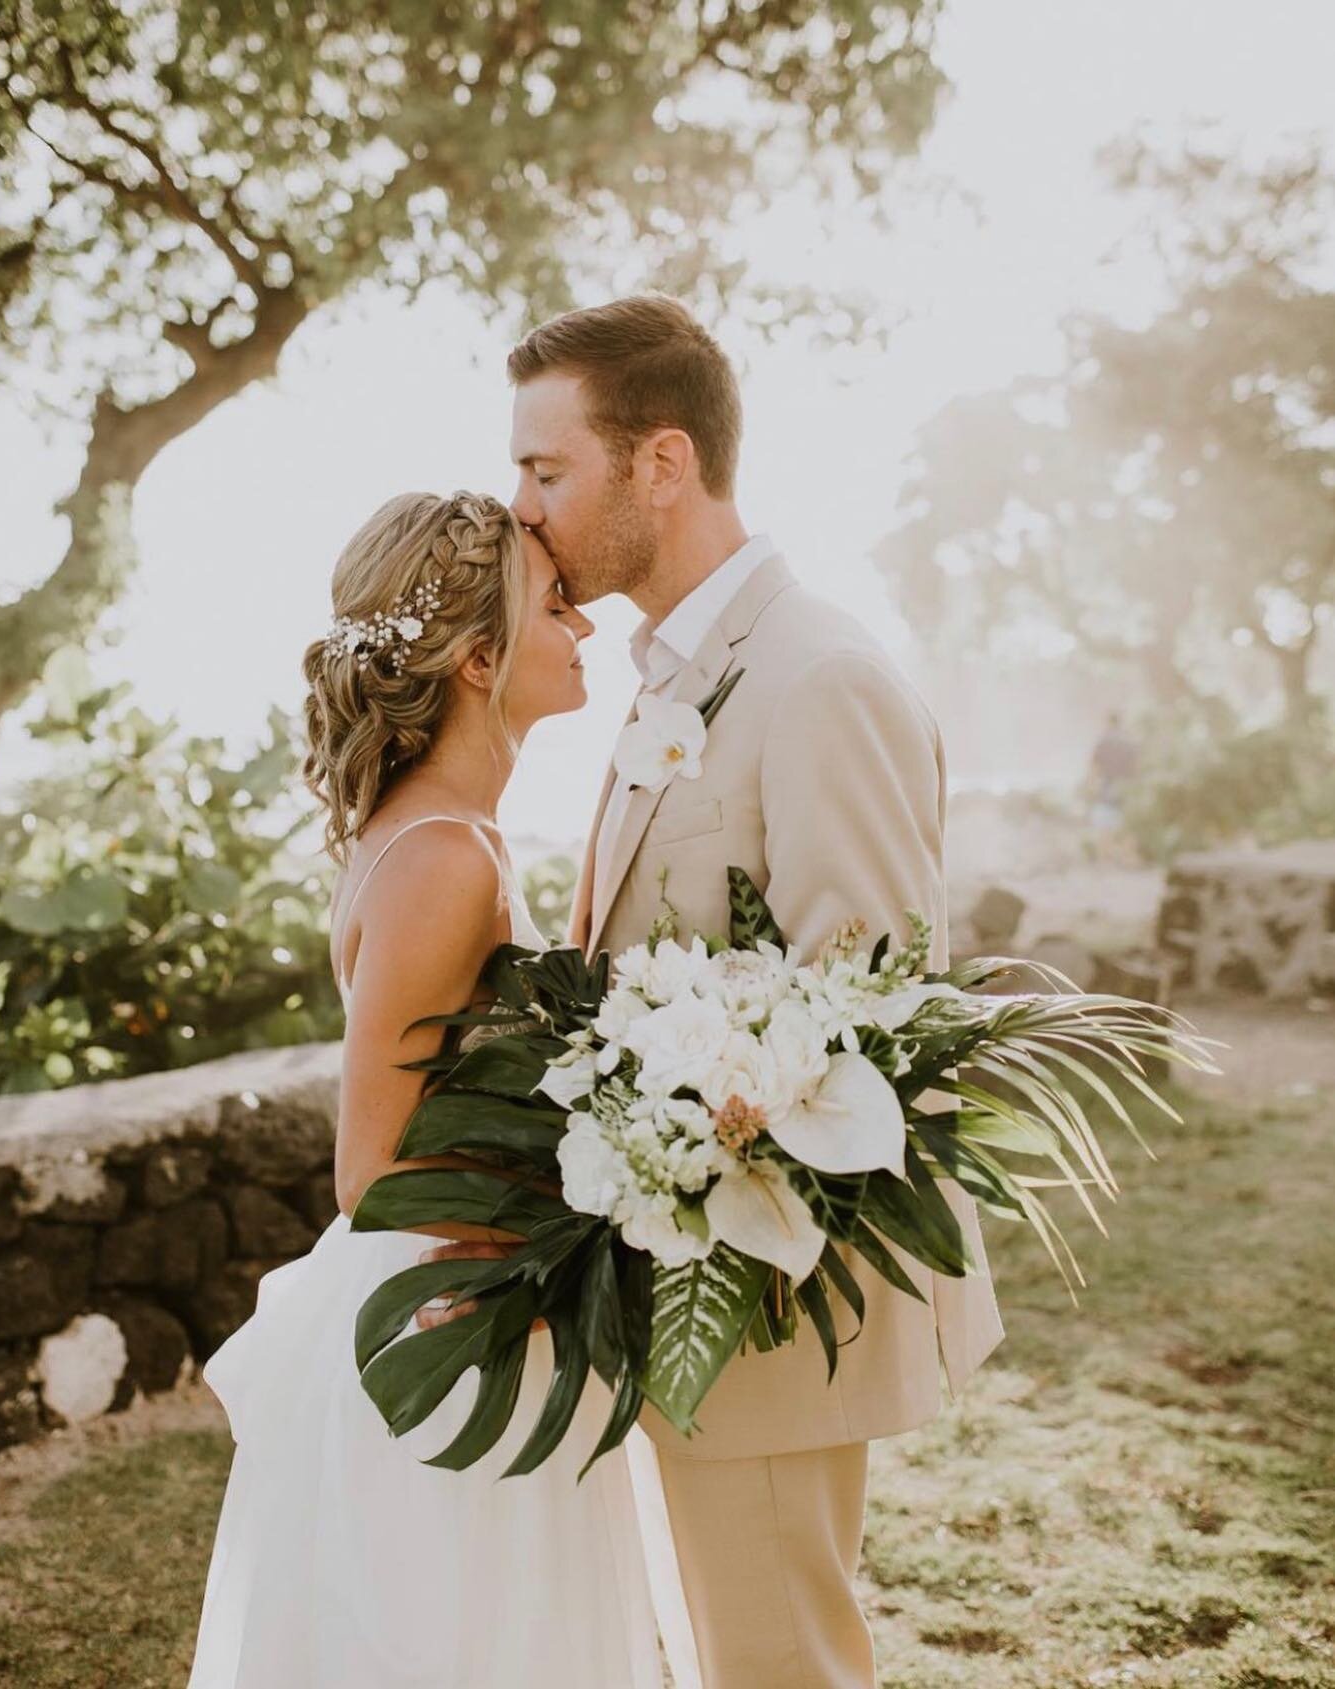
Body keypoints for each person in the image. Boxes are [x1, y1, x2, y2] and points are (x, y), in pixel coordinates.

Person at [418, 295, 1006, 1688]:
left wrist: (656, 1168)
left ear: (659, 464)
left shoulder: (816, 679)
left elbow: (859, 1024)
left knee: (778, 1665)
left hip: (764, 1305)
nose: (522, 508)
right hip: (677, 1298)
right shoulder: (672, 679)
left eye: (545, 471)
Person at [186, 491, 676, 1688]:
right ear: (476, 661)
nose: (586, 630)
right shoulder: (441, 857)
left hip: (475, 1300)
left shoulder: (436, 833)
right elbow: (374, 1173)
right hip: (458, 1324)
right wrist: (585, 1235)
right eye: (556, 606)